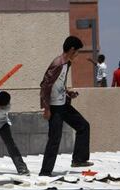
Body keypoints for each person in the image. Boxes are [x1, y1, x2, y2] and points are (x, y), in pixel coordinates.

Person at [39, 36, 92, 177]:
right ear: (72, 49)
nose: (77, 55)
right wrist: (46, 108)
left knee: (83, 126)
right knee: (54, 140)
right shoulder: (58, 64)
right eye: (77, 52)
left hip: (63, 104)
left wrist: (68, 92)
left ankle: (79, 160)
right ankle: (45, 172)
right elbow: (44, 85)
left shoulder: (67, 64)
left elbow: (58, 84)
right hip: (55, 108)